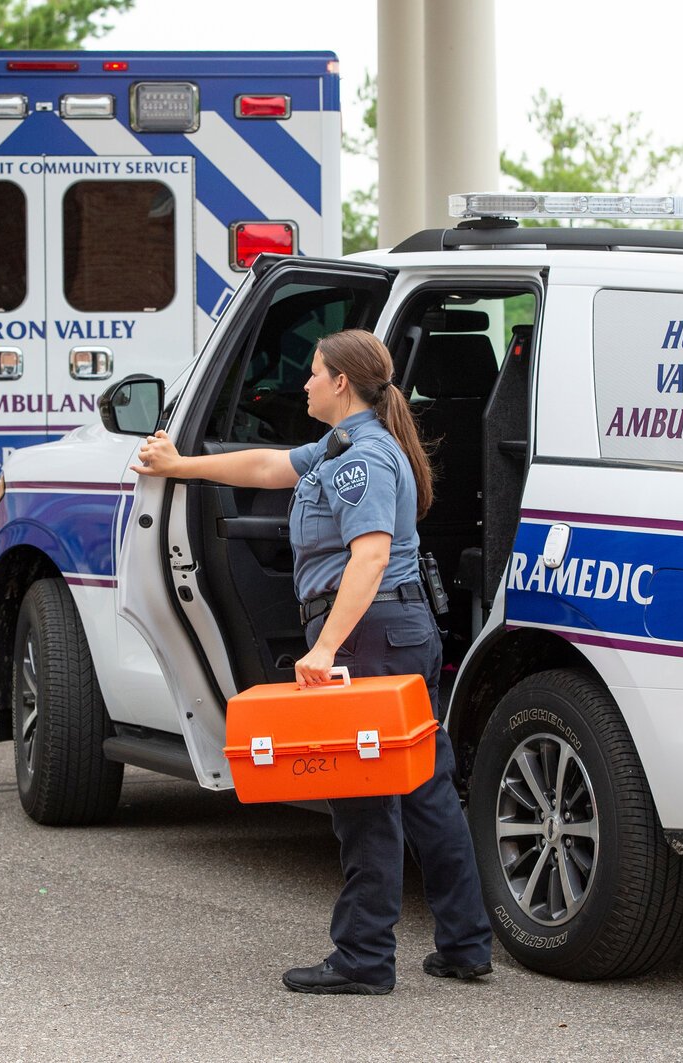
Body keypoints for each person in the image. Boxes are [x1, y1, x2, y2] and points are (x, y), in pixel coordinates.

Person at [133, 328, 494, 994]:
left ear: (340, 383)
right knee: (423, 786)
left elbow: (371, 555)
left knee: (364, 798)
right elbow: (269, 467)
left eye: (314, 371)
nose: (302, 381)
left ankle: (363, 956)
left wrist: (326, 647)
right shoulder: (340, 445)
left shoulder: (361, 458)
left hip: (368, 631)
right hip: (394, 630)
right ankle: (466, 942)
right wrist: (180, 465)